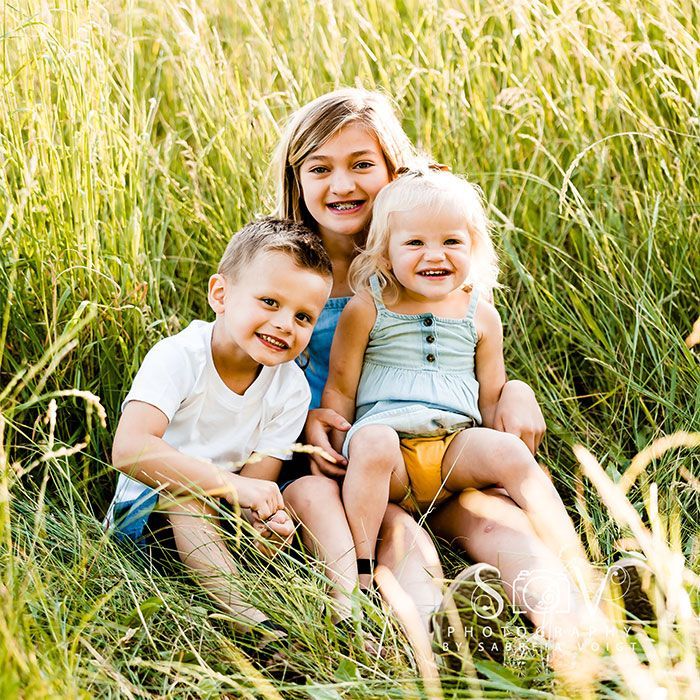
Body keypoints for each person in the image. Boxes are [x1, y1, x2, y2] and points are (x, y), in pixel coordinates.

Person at [272, 88, 591, 648]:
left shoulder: (428, 262)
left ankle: (573, 621)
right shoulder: (285, 274)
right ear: (297, 179)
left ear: (396, 172)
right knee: (403, 541)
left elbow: (467, 361)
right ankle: (438, 634)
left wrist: (514, 388)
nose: (343, 184)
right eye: (320, 168)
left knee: (492, 522)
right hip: (350, 464)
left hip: (442, 450)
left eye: (362, 165)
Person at [324, 168, 589, 596]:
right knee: (373, 443)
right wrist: (336, 449)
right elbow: (340, 388)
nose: (435, 255)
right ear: (385, 254)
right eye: (415, 243)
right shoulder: (367, 308)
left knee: (507, 449)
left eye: (451, 241)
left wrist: (503, 450)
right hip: (390, 460)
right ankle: (361, 565)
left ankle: (573, 559)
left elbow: (491, 397)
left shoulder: (479, 314)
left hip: (452, 449)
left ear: (473, 248)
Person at [105, 218, 333, 642]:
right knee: (187, 496)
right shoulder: (179, 357)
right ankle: (251, 624)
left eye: (303, 316)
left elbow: (255, 487)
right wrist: (230, 487)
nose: (285, 323)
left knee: (277, 524)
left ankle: (336, 609)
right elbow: (130, 449)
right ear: (221, 295)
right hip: (145, 523)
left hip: (224, 521)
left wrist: (266, 524)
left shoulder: (291, 389)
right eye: (269, 302)